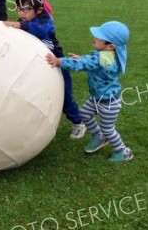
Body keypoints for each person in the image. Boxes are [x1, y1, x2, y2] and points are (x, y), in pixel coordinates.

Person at [4, 0, 86, 139]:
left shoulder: (45, 21)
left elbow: (39, 30)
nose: (21, 13)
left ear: (39, 9)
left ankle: (78, 122)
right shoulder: (23, 20)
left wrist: (20, 25)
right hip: (36, 67)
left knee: (64, 96)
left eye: (26, 9)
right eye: (19, 8)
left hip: (57, 65)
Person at [45, 21, 133, 162]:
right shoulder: (109, 55)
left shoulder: (101, 58)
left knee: (108, 129)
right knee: (85, 113)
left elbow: (83, 64)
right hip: (98, 98)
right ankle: (99, 137)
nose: (94, 37)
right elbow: (90, 62)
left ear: (110, 46)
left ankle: (123, 152)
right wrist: (82, 58)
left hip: (108, 102)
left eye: (99, 37)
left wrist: (59, 61)